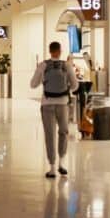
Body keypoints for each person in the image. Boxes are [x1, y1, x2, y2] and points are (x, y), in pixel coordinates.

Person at [30, 42, 79, 178]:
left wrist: (42, 80)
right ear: (60, 51)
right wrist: (67, 87)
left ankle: (52, 168)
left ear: (49, 51)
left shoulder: (43, 65)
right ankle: (62, 164)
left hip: (47, 104)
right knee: (63, 132)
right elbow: (75, 86)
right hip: (63, 104)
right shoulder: (67, 65)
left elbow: (33, 84)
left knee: (50, 135)